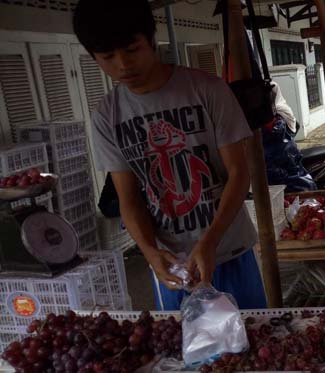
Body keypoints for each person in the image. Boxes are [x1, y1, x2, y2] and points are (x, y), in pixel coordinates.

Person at [73, 0, 267, 310]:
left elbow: (238, 173)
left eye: (132, 49)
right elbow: (129, 199)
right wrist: (149, 252)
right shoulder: (107, 116)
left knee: (254, 342)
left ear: (151, 38)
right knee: (185, 352)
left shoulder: (209, 90)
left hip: (228, 251)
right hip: (171, 267)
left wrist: (211, 241)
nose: (123, 65)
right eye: (107, 57)